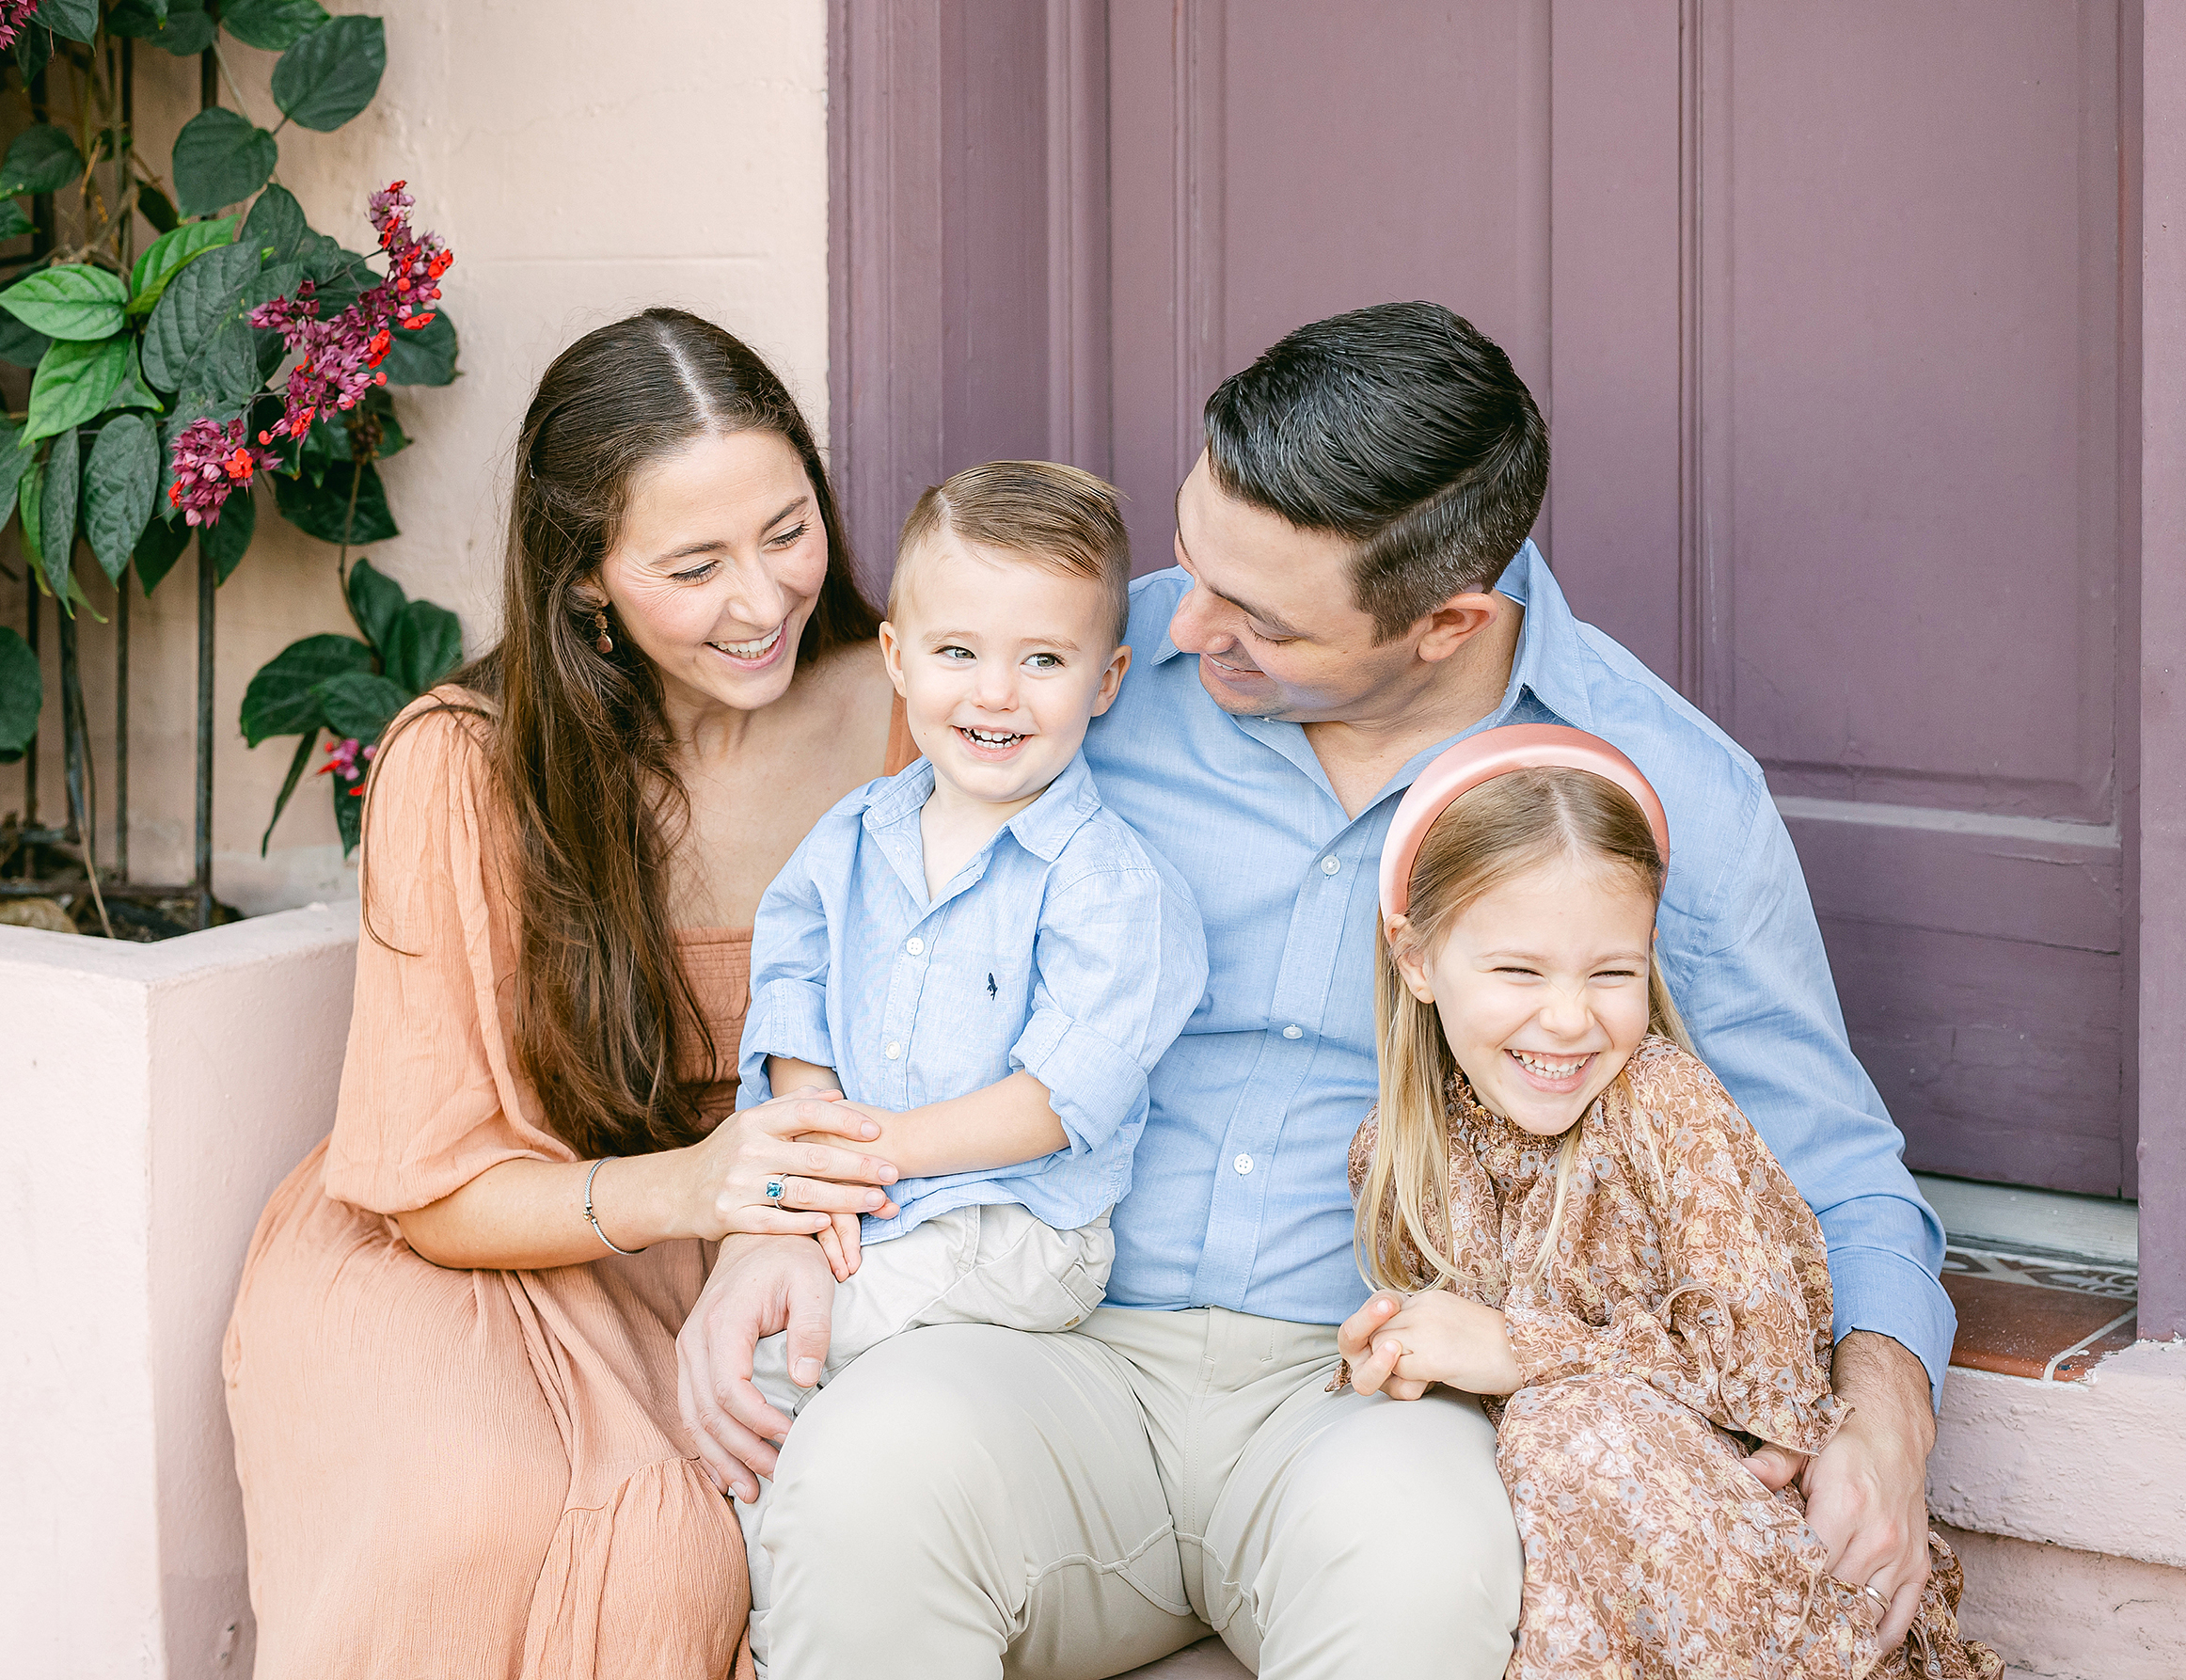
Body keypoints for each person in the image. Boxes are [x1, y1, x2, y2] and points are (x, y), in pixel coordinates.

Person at [678, 301, 1954, 1679]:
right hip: (1050, 1337)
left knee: (1423, 1577)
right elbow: (868, 924)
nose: (1189, 623)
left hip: (1370, 1388)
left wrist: (1884, 1418)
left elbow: (1832, 1163)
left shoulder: (1652, 783)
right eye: (1192, 563)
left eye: (1261, 620)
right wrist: (779, 1225)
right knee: (860, 1493)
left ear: (1445, 621)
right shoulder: (1081, 668)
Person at [221, 308, 922, 1680]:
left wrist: (768, 1211)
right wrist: (694, 1186)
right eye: (693, 565)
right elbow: (427, 1183)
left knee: (683, 1551)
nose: (763, 598)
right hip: (485, 1238)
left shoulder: (914, 707)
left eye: (787, 531)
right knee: (473, 1514)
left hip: (779, 1248)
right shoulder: (467, 762)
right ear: (588, 582)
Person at [1339, 723, 1996, 1680]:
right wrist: (1405, 1352)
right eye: (1519, 971)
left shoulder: (1664, 1105)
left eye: (1612, 973)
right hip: (1583, 1577)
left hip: (1759, 1563)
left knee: (1568, 1427)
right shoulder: (1400, 1154)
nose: (1568, 1018)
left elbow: (1768, 1392)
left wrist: (1514, 1348)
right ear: (1417, 960)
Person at [730, 460, 1208, 1670]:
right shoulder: (855, 836)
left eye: (1042, 661)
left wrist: (873, 1159)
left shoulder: (1111, 882)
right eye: (956, 653)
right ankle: (775, 1599)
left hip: (1015, 1223)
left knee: (808, 1342)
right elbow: (792, 987)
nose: (995, 694)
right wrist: (814, 1137)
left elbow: (1062, 1098)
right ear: (896, 658)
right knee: (767, 1349)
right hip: (869, 1201)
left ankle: (794, 1619)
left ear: (1104, 682)